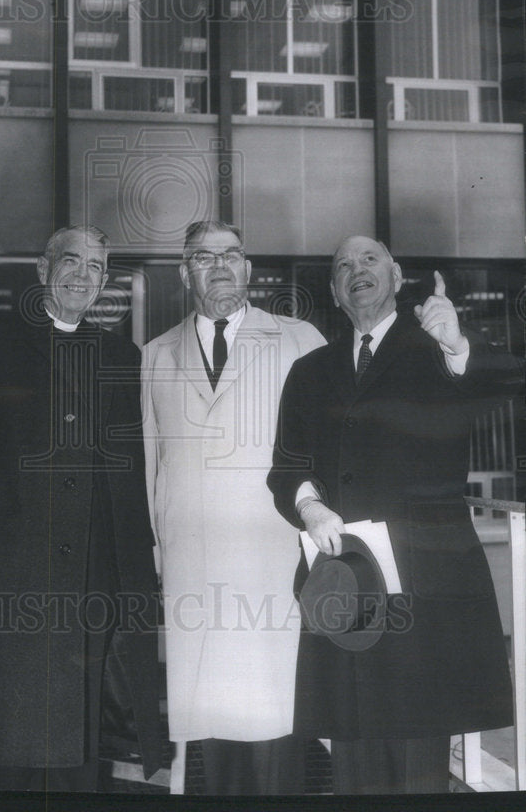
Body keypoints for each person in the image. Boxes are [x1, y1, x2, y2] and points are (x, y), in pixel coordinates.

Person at [268, 234, 522, 794]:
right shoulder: (310, 372)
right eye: (342, 267)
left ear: (398, 274)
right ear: (335, 293)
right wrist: (310, 508)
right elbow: (286, 467)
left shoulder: (438, 349)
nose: (355, 270)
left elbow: (504, 384)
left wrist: (458, 343)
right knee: (353, 753)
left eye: (369, 259)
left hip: (425, 589)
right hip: (342, 581)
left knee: (418, 760)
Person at [0, 225, 161, 792]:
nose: (82, 276)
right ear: (43, 270)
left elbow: (128, 471)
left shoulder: (122, 354)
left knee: (80, 749)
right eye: (72, 262)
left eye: (95, 268)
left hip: (90, 580)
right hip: (11, 573)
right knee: (14, 746)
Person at [141, 220, 325, 794]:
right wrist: (158, 549)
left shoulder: (301, 340)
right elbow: (152, 464)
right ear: (184, 273)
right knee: (211, 735)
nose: (219, 266)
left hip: (274, 565)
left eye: (232, 255)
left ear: (249, 268)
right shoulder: (153, 355)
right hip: (194, 569)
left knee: (277, 729)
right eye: (203, 257)